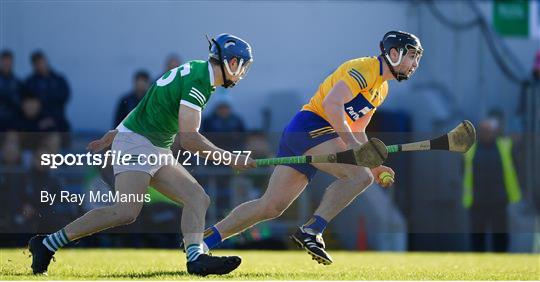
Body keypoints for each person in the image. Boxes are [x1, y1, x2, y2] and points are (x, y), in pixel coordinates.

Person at [28, 33, 256, 276]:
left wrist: (115, 132)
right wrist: (230, 158)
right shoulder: (200, 81)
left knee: (198, 198)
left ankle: (195, 259)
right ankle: (46, 244)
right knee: (125, 212)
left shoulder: (195, 71)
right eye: (240, 64)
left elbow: (147, 101)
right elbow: (189, 139)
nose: (241, 71)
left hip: (153, 146)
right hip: (138, 143)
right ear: (230, 62)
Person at [199, 31, 423, 265]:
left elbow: (358, 129)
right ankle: (312, 230)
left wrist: (374, 164)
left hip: (310, 133)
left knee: (271, 206)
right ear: (394, 53)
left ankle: (204, 240)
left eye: (417, 58)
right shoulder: (364, 69)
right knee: (359, 177)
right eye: (411, 56)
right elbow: (332, 105)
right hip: (311, 127)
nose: (415, 64)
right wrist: (358, 151)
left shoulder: (381, 89)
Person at [463, 109, 521, 252]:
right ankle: (477, 268)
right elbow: (463, 172)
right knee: (477, 239)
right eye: (484, 129)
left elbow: (516, 168)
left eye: (490, 129)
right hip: (477, 201)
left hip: (499, 201)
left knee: (500, 238)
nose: (487, 132)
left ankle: (501, 266)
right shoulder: (470, 150)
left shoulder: (506, 146)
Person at [24, 51, 70, 132]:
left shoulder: (59, 80)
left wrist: (52, 118)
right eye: (36, 63)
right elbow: (26, 104)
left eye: (41, 62)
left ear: (46, 61)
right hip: (36, 122)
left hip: (57, 119)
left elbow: (64, 98)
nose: (40, 65)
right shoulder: (30, 82)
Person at [0, 50, 21, 131]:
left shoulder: (17, 82)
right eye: (5, 62)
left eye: (9, 62)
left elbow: (20, 103)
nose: (7, 64)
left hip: (12, 121)